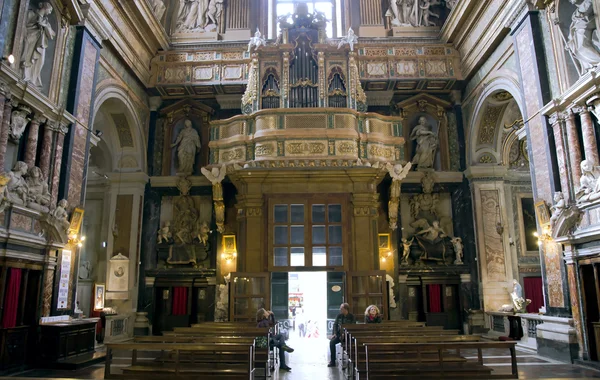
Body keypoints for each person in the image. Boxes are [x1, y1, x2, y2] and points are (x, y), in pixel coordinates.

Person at [328, 303, 356, 367]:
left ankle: (351, 361)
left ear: (346, 309)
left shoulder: (352, 317)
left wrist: (345, 334)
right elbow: (335, 325)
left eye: (341, 308)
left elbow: (353, 326)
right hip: (339, 335)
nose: (340, 310)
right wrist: (334, 333)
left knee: (351, 344)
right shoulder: (339, 316)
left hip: (349, 336)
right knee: (332, 342)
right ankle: (332, 361)